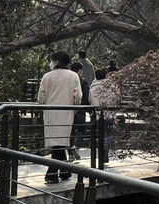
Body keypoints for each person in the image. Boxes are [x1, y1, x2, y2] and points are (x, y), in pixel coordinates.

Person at [37, 51, 82, 183]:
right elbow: (78, 96)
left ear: (56, 61)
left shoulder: (47, 76)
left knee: (56, 143)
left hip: (51, 113)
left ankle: (54, 173)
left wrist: (44, 105)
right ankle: (63, 172)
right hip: (67, 113)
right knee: (61, 143)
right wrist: (73, 107)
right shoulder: (73, 76)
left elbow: (41, 97)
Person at [88, 68, 118, 167]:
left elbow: (90, 99)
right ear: (106, 76)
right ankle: (105, 150)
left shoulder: (93, 87)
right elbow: (118, 97)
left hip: (98, 114)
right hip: (109, 113)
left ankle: (101, 152)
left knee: (100, 134)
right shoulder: (112, 86)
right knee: (108, 134)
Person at [70, 61, 90, 159]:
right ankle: (76, 146)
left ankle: (70, 153)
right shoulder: (82, 81)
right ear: (79, 71)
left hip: (68, 109)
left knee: (71, 131)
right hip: (80, 109)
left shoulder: (67, 80)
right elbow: (86, 95)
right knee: (81, 130)